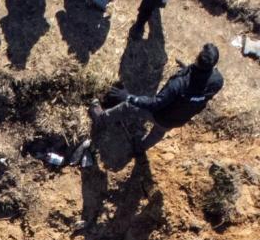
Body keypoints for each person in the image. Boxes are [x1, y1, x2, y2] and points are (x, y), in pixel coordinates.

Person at [83, 43, 223, 156]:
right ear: (213, 66)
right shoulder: (218, 81)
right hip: (179, 119)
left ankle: (101, 119)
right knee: (159, 131)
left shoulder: (178, 85)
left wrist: (128, 96)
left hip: (160, 114)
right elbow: (199, 86)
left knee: (128, 106)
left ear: (197, 59)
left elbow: (155, 104)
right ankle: (140, 148)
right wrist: (189, 70)